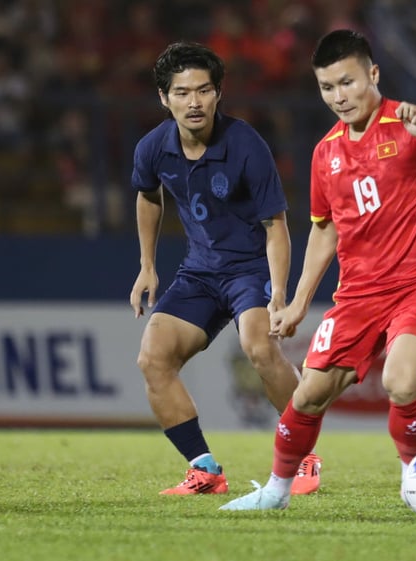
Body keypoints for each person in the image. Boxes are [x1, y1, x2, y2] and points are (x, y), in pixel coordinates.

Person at [220, 29, 416, 511]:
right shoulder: (326, 153)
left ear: (372, 74)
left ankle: (414, 477)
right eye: (327, 87)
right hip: (358, 296)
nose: (338, 97)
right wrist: (299, 301)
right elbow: (325, 231)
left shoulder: (413, 122)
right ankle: (276, 493)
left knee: (400, 380)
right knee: (308, 394)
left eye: (347, 83)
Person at [129, 41, 321, 496]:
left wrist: (277, 292)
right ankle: (205, 470)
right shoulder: (153, 148)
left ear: (219, 94)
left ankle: (306, 458)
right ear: (164, 97)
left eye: (203, 90)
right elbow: (148, 195)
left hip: (249, 270)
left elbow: (276, 225)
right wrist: (147, 265)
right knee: (152, 359)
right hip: (199, 272)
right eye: (182, 92)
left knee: (259, 347)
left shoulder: (246, 145)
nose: (193, 102)